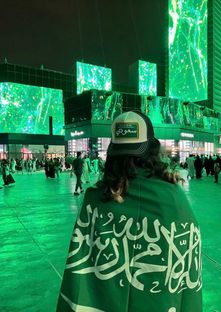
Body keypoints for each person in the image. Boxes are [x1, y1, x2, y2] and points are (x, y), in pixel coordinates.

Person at [57, 111, 202, 312]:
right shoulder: (174, 198)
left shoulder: (96, 200)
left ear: (113, 152)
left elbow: (80, 271)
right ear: (152, 149)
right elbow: (188, 265)